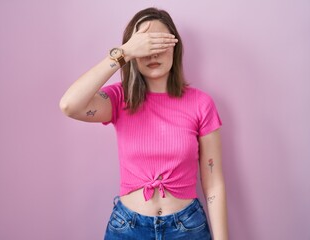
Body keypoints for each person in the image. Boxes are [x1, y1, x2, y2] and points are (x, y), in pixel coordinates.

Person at [59, 7, 228, 240]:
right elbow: (70, 105)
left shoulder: (201, 103)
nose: (152, 54)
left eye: (159, 43)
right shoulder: (119, 99)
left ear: (175, 47)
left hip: (187, 228)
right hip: (128, 227)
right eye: (144, 45)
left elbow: (214, 183)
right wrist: (123, 53)